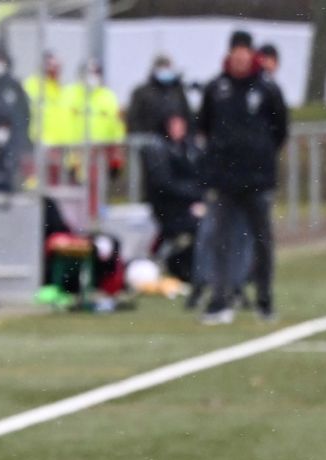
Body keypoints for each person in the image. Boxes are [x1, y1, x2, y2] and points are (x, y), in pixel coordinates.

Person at [195, 29, 287, 324]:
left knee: (262, 240)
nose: (240, 57)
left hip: (257, 178)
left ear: (251, 54)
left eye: (245, 51)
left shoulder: (266, 89)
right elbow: (205, 127)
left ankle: (264, 299)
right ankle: (220, 299)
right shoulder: (216, 88)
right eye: (236, 51)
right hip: (225, 179)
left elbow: (280, 129)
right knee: (221, 240)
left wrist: (260, 154)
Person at [141, 112, 205, 283]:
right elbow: (164, 185)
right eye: (174, 125)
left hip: (190, 205)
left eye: (181, 124)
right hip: (170, 211)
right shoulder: (158, 149)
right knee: (201, 227)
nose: (178, 129)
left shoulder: (189, 149)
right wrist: (193, 198)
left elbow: (200, 177)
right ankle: (184, 268)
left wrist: (201, 198)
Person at [23, 50, 86, 183]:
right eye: (51, 66)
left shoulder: (63, 91)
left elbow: (69, 122)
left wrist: (74, 155)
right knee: (38, 187)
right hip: (39, 148)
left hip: (62, 152)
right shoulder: (31, 87)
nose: (55, 71)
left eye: (57, 67)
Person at [126, 54, 192, 140]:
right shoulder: (142, 92)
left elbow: (187, 115)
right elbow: (133, 119)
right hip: (149, 141)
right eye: (162, 68)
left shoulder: (177, 92)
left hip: (175, 142)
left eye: (167, 68)